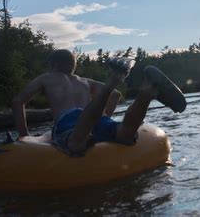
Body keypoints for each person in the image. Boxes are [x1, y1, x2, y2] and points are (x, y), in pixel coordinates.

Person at [11, 49, 186, 156]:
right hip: (94, 116)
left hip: (71, 120)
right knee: (125, 133)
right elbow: (116, 95)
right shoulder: (83, 81)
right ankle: (147, 93)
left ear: (54, 65)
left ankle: (107, 89)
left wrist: (24, 136)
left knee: (75, 142)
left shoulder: (47, 77)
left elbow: (18, 101)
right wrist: (102, 116)